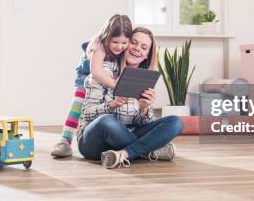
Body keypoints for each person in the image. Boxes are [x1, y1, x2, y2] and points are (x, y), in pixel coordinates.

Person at [77, 27, 184, 169]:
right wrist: (112, 105)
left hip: (126, 136)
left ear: (147, 55)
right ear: (126, 44)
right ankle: (147, 151)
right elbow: (87, 113)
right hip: (93, 142)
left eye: (144, 47)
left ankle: (124, 154)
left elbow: (144, 124)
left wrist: (144, 108)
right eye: (134, 42)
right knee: (107, 121)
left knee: (176, 122)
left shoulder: (145, 80)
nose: (137, 48)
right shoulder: (104, 71)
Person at [51, 14, 132, 158]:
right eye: (115, 42)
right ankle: (65, 140)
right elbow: (96, 72)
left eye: (124, 43)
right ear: (107, 37)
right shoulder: (98, 44)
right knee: (78, 104)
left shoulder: (124, 47)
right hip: (87, 73)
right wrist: (117, 86)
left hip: (109, 71)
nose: (120, 46)